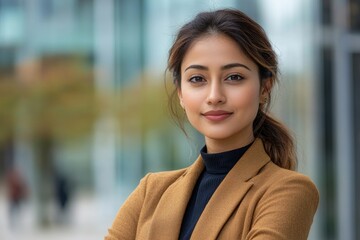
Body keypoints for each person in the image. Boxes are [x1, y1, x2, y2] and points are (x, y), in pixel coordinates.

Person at [105, 8, 319, 240]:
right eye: (197, 79)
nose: (214, 95)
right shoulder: (151, 192)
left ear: (264, 88)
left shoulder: (287, 191)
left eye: (234, 77)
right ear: (180, 93)